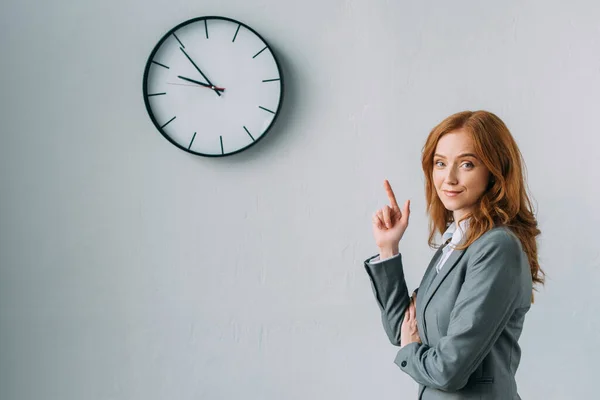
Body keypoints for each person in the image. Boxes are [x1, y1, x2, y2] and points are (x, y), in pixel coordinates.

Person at [364, 110, 544, 399]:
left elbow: (448, 370)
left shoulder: (496, 246)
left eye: (467, 164)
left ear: (495, 170)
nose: (449, 178)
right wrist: (388, 248)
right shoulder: (455, 244)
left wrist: (411, 350)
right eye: (440, 163)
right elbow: (402, 330)